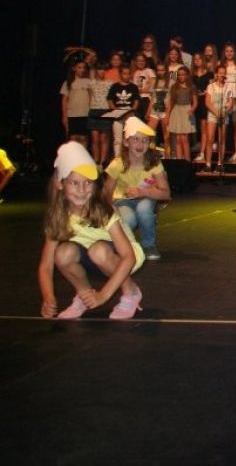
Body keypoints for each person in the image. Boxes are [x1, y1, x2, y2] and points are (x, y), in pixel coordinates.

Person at [39, 143, 145, 320]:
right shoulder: (58, 215)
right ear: (59, 183)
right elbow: (46, 265)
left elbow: (129, 257)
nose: (82, 190)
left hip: (123, 256)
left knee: (99, 250)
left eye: (88, 182)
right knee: (63, 253)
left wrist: (103, 295)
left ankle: (131, 292)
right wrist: (48, 297)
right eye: (74, 183)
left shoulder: (102, 211)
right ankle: (84, 296)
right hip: (91, 253)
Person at [103, 116, 171, 261]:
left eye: (145, 140)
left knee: (144, 209)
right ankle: (127, 247)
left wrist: (143, 192)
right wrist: (111, 212)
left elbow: (166, 193)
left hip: (146, 197)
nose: (140, 144)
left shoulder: (154, 163)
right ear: (126, 142)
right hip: (122, 200)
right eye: (136, 139)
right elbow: (107, 193)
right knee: (128, 219)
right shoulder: (117, 164)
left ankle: (148, 245)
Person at [164, 66, 198, 161]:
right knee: (178, 139)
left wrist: (191, 110)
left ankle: (187, 161)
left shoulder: (191, 87)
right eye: (179, 75)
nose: (181, 76)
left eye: (183, 74)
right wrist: (167, 116)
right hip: (176, 111)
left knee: (184, 139)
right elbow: (171, 103)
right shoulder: (174, 87)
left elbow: (195, 102)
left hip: (186, 111)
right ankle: (179, 162)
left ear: (187, 75)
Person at [86, 62, 113, 164]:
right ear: (96, 71)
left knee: (104, 139)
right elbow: (89, 96)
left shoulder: (110, 83)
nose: (101, 72)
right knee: (95, 139)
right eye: (99, 69)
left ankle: (103, 162)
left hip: (105, 111)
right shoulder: (91, 83)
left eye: (103, 70)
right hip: (94, 111)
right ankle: (95, 160)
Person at [60, 59, 90, 145]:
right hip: (72, 115)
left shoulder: (89, 82)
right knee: (73, 138)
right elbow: (64, 100)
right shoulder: (68, 82)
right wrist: (64, 116)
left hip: (85, 114)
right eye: (79, 67)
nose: (82, 70)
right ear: (74, 68)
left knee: (84, 138)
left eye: (83, 68)